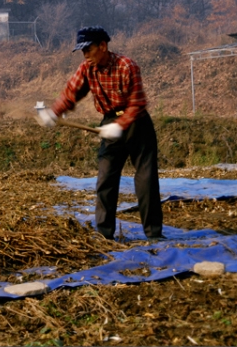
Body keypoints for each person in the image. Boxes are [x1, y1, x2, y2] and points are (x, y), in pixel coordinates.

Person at [36, 26, 163, 241]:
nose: (86, 56)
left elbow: (137, 103)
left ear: (103, 46)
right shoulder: (87, 68)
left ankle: (154, 234)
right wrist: (54, 112)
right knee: (105, 179)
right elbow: (71, 93)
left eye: (89, 50)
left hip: (137, 123)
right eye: (83, 52)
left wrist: (120, 125)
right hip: (109, 120)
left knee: (146, 180)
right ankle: (104, 234)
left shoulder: (126, 66)